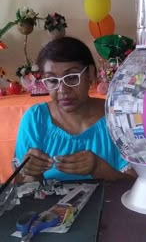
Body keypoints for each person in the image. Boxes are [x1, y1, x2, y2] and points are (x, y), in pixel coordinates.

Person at [14, 36, 136, 182]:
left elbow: (135, 186)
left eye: (71, 77)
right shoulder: (35, 119)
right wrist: (32, 173)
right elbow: (20, 186)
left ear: (90, 74)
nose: (62, 90)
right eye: (52, 80)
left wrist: (98, 168)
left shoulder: (116, 118)